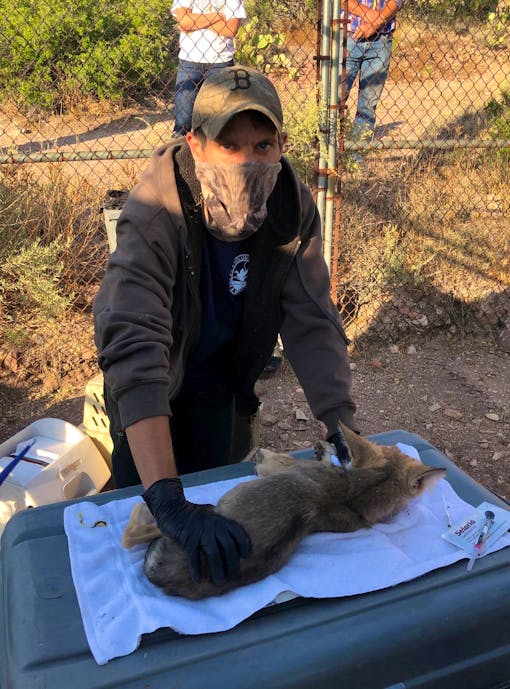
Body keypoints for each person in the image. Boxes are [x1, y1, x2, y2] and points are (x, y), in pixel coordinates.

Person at [93, 65, 358, 587]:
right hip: (155, 384)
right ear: (195, 144)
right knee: (142, 517)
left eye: (262, 145)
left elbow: (311, 318)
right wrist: (165, 496)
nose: (248, 161)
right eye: (229, 146)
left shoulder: (289, 205)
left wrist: (339, 423)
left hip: (227, 378)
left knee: (224, 504)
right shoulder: (155, 210)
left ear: (282, 144)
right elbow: (132, 336)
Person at [170, 0, 246, 136]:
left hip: (221, 62)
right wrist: (217, 16)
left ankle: (214, 155)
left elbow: (231, 29)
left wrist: (195, 21)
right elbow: (184, 23)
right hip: (189, 61)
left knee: (219, 123)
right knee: (182, 125)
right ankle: (181, 154)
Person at [341, 0, 404, 146]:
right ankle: (328, 156)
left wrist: (377, 23)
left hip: (381, 39)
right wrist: (370, 15)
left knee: (368, 106)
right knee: (334, 99)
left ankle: (357, 156)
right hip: (347, 35)